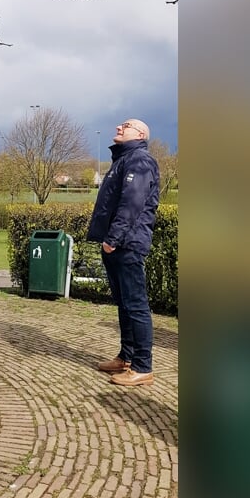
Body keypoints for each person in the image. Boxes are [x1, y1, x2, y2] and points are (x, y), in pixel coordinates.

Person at [86, 118, 162, 386]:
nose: (119, 128)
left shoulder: (140, 161)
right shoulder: (124, 160)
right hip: (116, 243)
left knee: (136, 305)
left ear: (140, 134)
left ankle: (142, 366)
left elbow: (131, 204)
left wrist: (113, 239)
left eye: (126, 126)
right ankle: (126, 357)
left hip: (126, 244)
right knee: (124, 304)